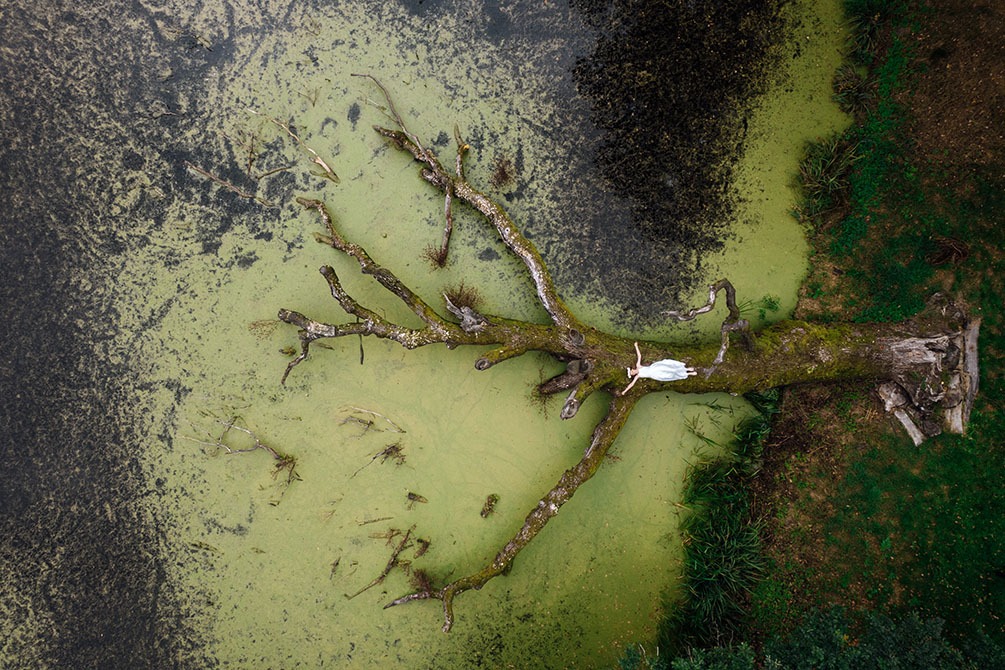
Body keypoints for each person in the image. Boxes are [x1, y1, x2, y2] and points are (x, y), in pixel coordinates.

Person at [622, 341, 696, 394]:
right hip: (655, 375)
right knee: (671, 375)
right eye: (632, 374)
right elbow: (632, 384)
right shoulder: (638, 376)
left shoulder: (638, 366)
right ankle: (688, 374)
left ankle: (687, 369)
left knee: (670, 368)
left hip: (655, 368)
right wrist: (625, 391)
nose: (633, 372)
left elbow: (639, 356)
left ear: (632, 369)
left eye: (632, 371)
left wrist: (636, 346)